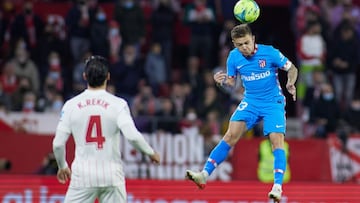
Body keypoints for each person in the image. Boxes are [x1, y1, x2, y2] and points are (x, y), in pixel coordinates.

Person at [185, 24, 298, 203]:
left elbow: (292, 69)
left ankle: (277, 187)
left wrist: (290, 83)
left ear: (253, 38)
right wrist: (221, 81)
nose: (244, 47)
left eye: (246, 42)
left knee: (276, 141)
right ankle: (204, 174)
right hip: (251, 102)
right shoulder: (234, 58)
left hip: (272, 102)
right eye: (239, 45)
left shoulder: (270, 52)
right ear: (234, 44)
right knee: (230, 135)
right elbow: (231, 82)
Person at [52, 55, 160, 203]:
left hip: (83, 177)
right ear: (108, 77)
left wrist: (62, 166)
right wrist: (150, 152)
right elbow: (132, 136)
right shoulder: (118, 104)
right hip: (111, 176)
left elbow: (58, 143)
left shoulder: (71, 105)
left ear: (84, 76)